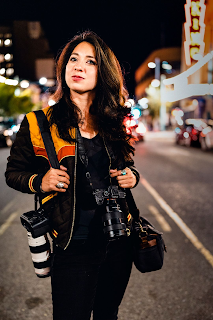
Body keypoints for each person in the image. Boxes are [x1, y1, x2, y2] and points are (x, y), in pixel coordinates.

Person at [5, 31, 140, 320]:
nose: (78, 66)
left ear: (101, 73)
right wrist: (40, 182)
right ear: (63, 68)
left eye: (89, 61)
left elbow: (128, 167)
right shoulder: (37, 123)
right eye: (73, 59)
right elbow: (13, 173)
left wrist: (133, 177)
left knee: (108, 314)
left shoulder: (113, 121)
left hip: (118, 242)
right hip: (72, 244)